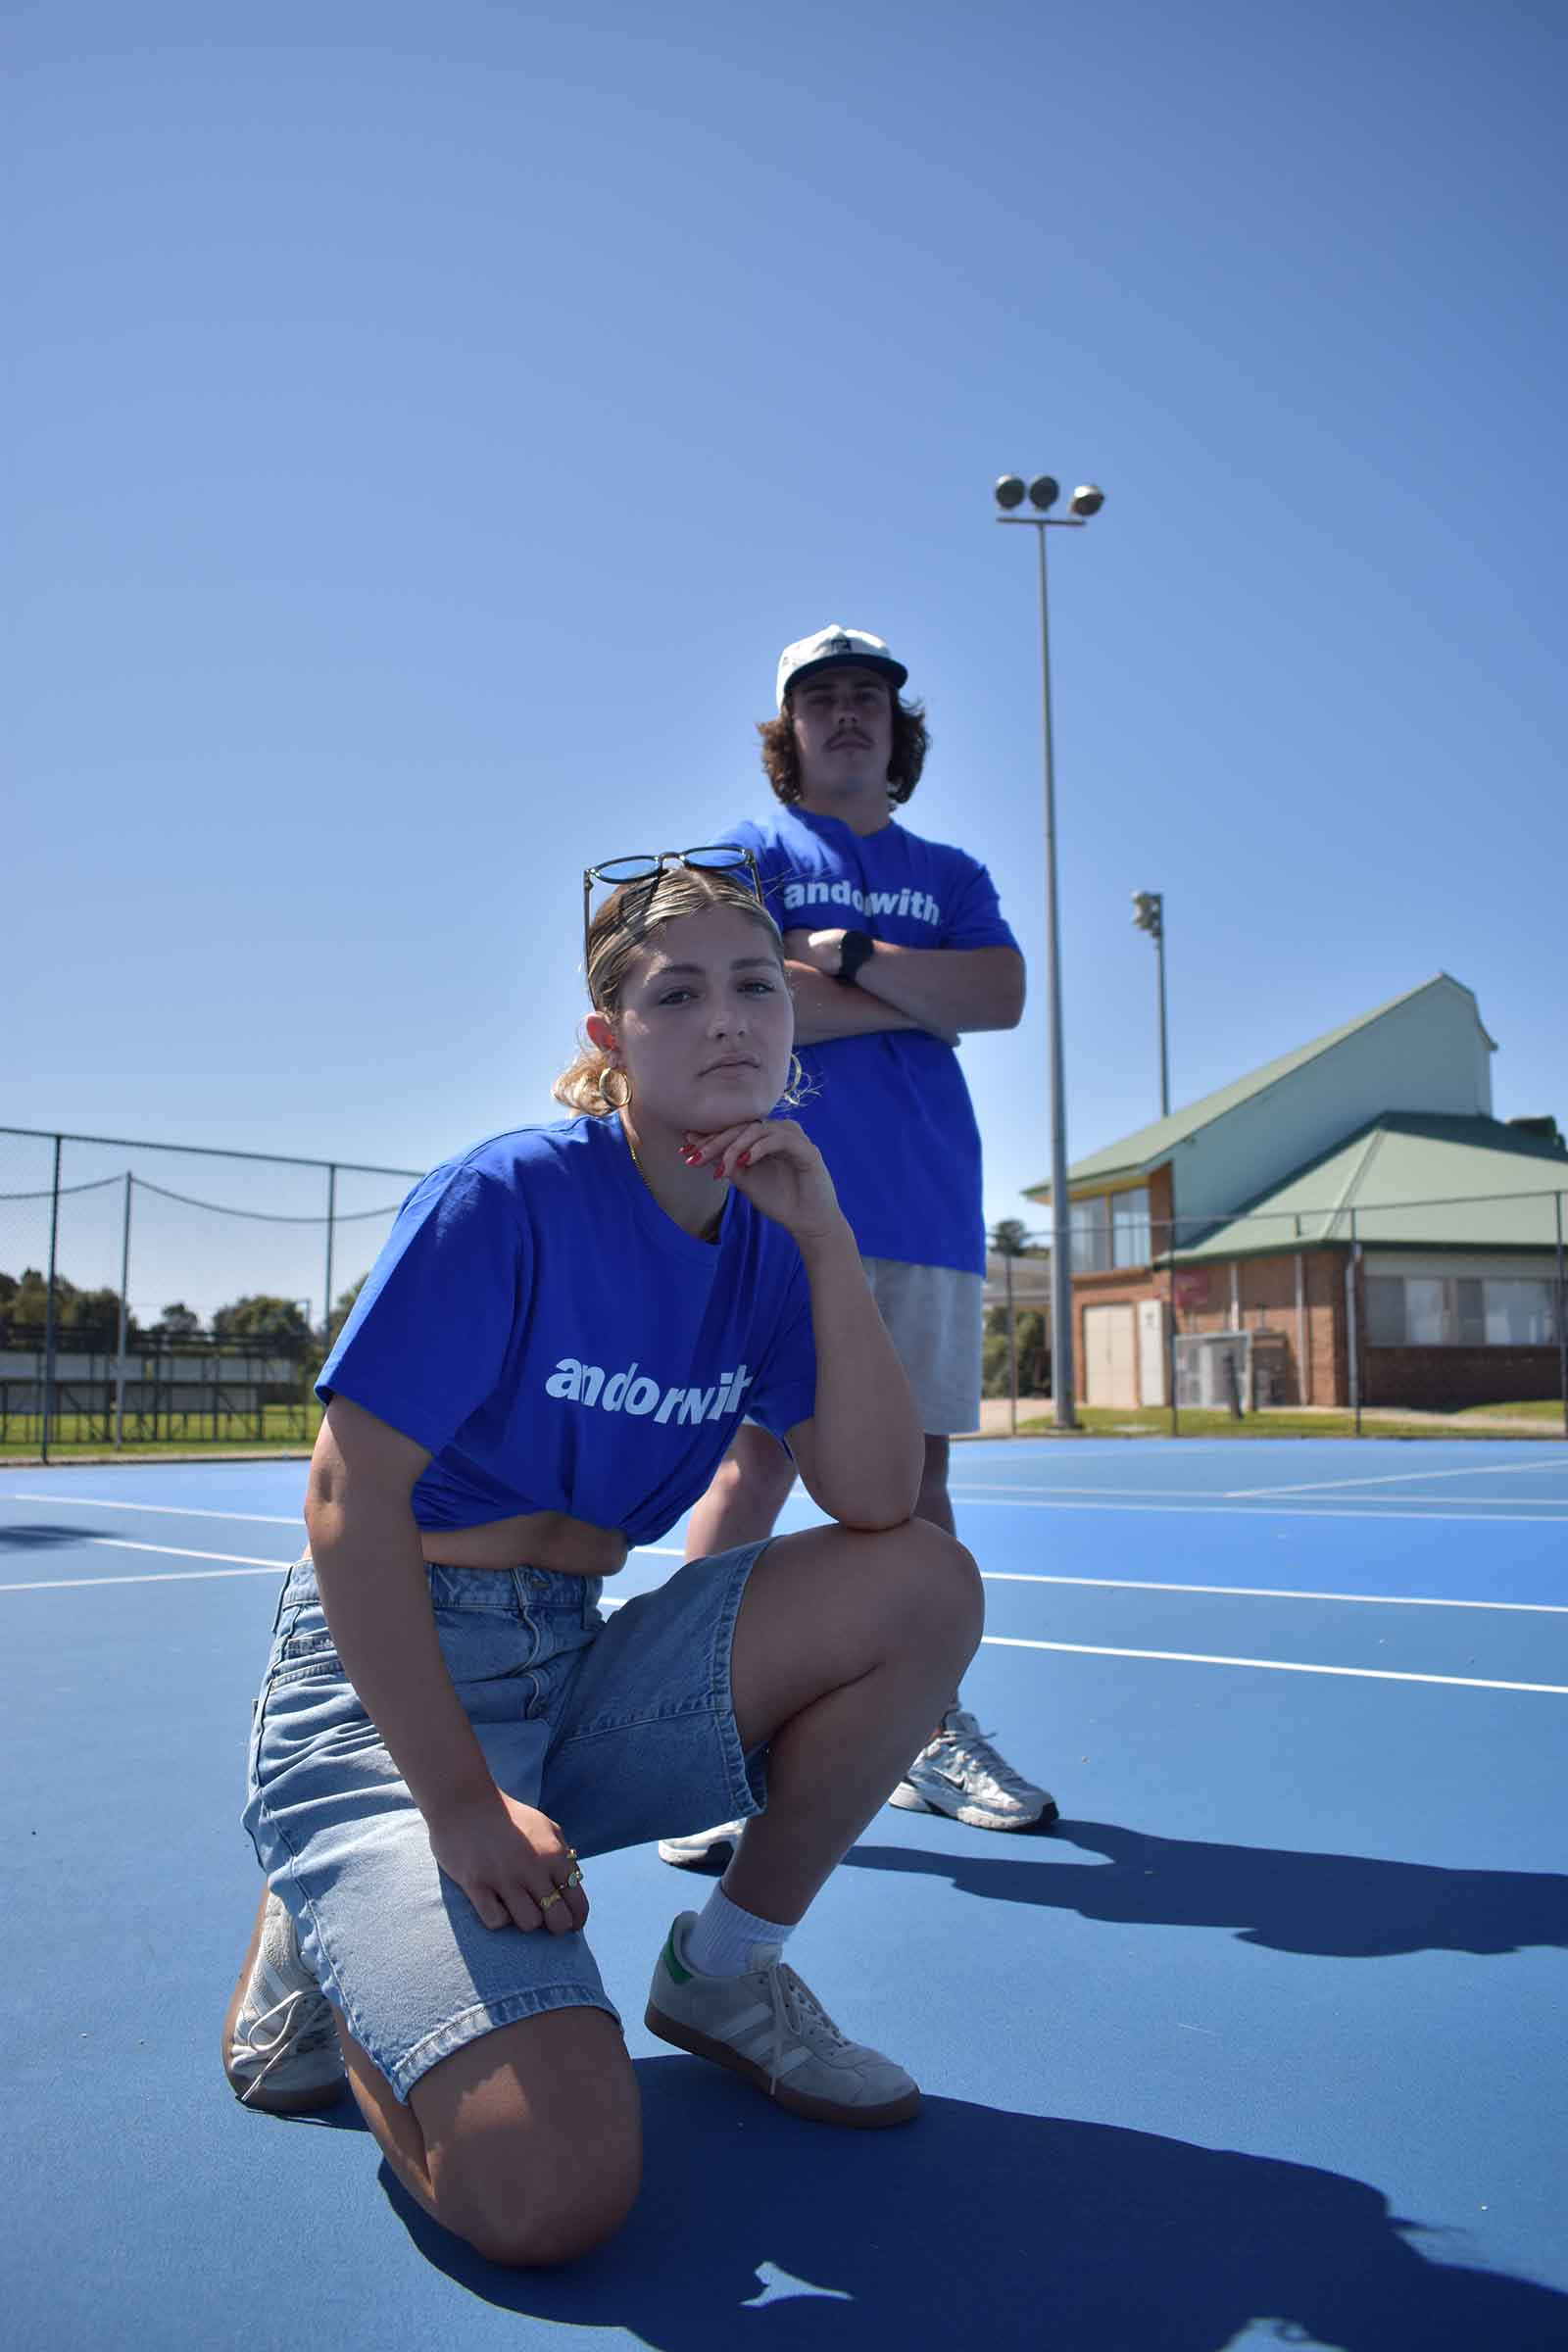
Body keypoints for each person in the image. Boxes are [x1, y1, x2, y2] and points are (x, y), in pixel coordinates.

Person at [221, 851, 983, 2270]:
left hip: (570, 1662)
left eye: (756, 986)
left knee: (924, 1584)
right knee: (550, 2192)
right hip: (391, 1707)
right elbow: (346, 1497)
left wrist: (825, 1242)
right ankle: (327, 1937)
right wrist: (455, 1803)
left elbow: (879, 1499)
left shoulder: (771, 1241)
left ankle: (728, 1975)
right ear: (608, 1041)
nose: (727, 1019)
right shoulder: (505, 1199)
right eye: (676, 993)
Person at [660, 627, 1053, 1874]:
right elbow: (741, 990)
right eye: (819, 700)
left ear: (897, 730)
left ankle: (919, 1735)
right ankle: (687, 1744)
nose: (846, 716)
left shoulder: (951, 868)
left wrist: (858, 963)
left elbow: (997, 996)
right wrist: (903, 996)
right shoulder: (756, 856)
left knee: (917, 1490)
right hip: (779, 1198)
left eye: (867, 700)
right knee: (751, 1475)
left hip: (930, 1206)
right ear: (789, 733)